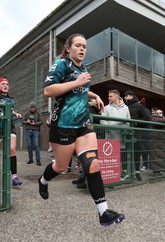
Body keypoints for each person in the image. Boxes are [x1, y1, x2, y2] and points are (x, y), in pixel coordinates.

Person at [38, 33, 125, 226]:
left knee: (93, 165)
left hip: (83, 123)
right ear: (68, 48)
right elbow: (48, 91)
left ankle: (104, 213)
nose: (82, 49)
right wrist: (77, 83)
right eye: (78, 45)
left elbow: (80, 92)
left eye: (84, 46)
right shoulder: (61, 64)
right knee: (60, 167)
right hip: (62, 126)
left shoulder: (83, 68)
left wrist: (94, 94)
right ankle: (43, 181)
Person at [100, 89, 130, 176]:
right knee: (111, 154)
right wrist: (108, 129)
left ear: (117, 96)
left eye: (110, 96)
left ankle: (124, 170)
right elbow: (103, 120)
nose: (108, 98)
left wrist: (125, 129)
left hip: (122, 135)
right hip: (110, 135)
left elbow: (128, 120)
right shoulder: (106, 108)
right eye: (108, 96)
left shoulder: (126, 108)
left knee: (123, 153)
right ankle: (112, 173)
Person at [124, 90, 151, 181]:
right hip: (126, 132)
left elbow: (146, 119)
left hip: (136, 133)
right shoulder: (125, 106)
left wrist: (135, 122)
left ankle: (136, 172)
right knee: (126, 153)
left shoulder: (139, 106)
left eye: (126, 96)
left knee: (136, 153)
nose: (125, 98)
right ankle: (127, 172)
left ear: (131, 96)